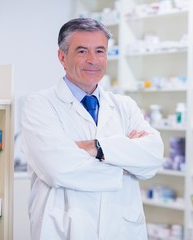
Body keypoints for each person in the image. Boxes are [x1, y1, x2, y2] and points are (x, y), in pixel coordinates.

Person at [21, 18, 164, 240]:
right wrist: (125, 165)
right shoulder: (40, 104)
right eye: (82, 51)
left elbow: (153, 157)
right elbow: (58, 169)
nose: (93, 60)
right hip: (66, 229)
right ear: (62, 57)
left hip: (121, 228)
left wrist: (96, 148)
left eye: (100, 51)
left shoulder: (124, 106)